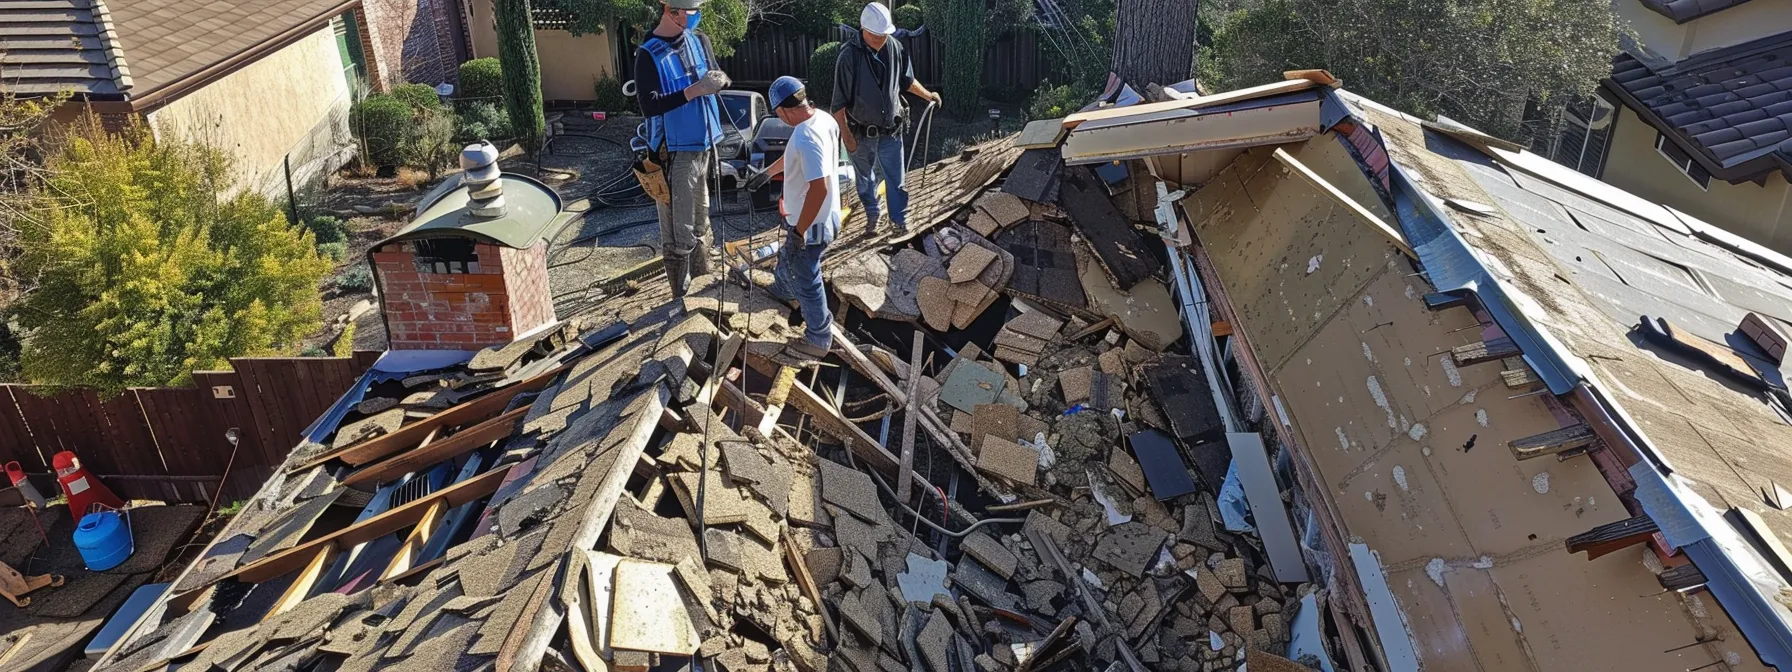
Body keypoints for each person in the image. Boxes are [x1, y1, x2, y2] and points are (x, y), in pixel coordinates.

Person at [634, 0, 730, 297]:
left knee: (702, 218)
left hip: (704, 143)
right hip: (673, 152)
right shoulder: (648, 54)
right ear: (671, 12)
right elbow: (650, 104)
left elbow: (715, 73)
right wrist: (695, 90)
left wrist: (720, 81)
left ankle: (703, 284)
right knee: (680, 227)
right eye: (691, 11)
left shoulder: (698, 40)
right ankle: (679, 294)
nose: (695, 15)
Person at [752, 76, 842, 360]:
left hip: (813, 223)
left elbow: (819, 188)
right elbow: (794, 158)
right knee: (788, 258)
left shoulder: (807, 136)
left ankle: (819, 337)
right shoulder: (822, 119)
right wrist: (766, 173)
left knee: (807, 275)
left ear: (781, 111)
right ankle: (782, 289)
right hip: (823, 215)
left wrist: (799, 231)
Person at [832, 2, 940, 235]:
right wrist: (847, 137)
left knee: (896, 180)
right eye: (877, 35)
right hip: (861, 133)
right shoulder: (848, 57)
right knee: (865, 181)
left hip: (891, 129)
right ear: (864, 30)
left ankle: (899, 222)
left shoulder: (895, 47)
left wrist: (928, 95)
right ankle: (873, 215)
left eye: (885, 34)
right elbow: (838, 105)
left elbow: (907, 81)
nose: (882, 39)